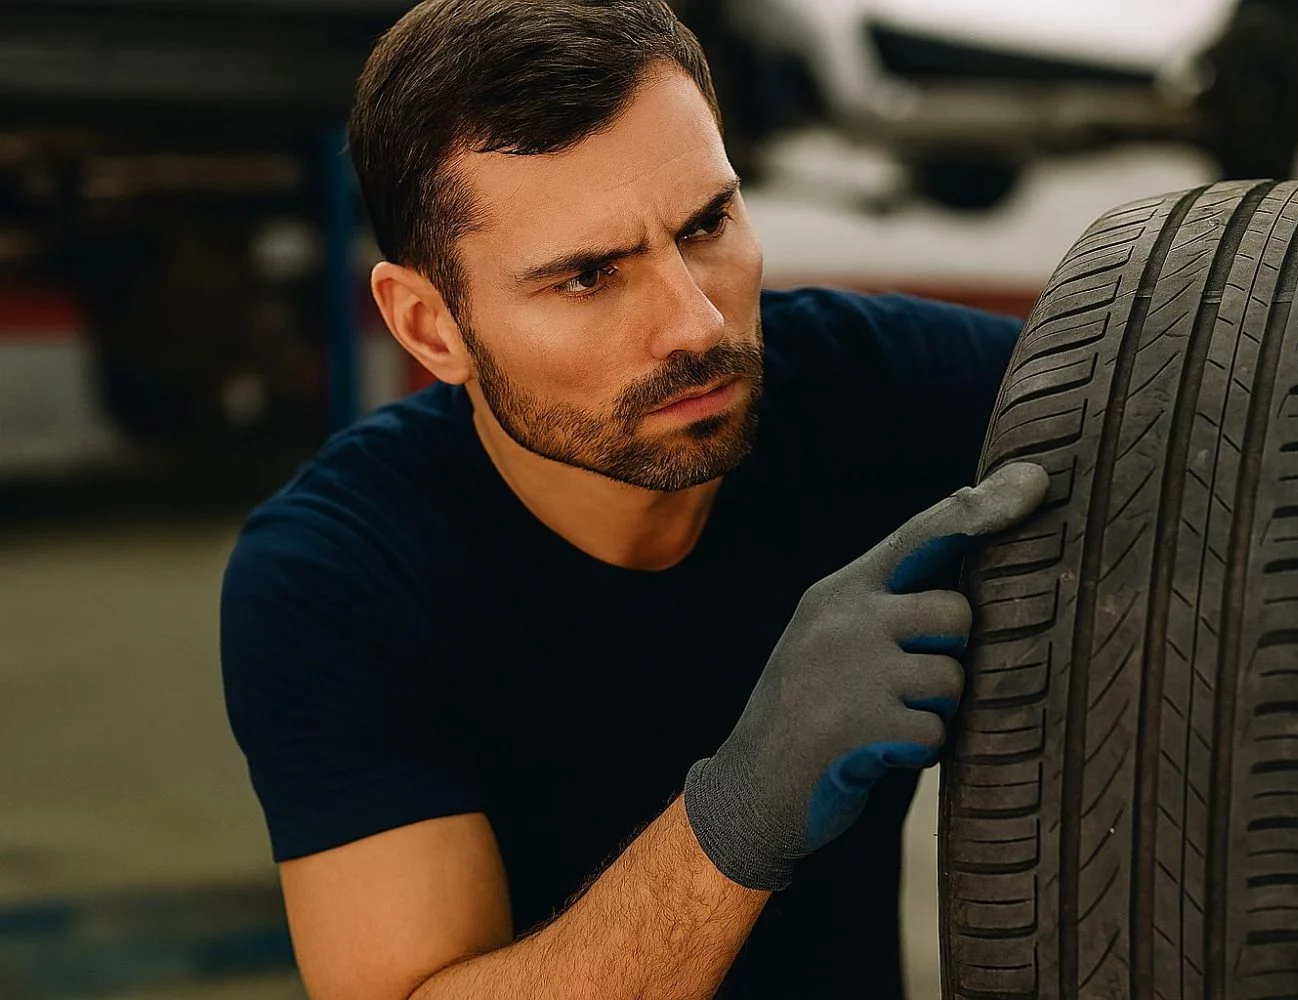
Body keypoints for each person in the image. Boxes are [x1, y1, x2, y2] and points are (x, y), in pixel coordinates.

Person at [219, 1, 1049, 997]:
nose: (694, 325)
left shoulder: (883, 389)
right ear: (431, 327)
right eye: (587, 276)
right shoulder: (340, 576)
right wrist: (742, 809)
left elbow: (1196, 402)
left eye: (706, 225)